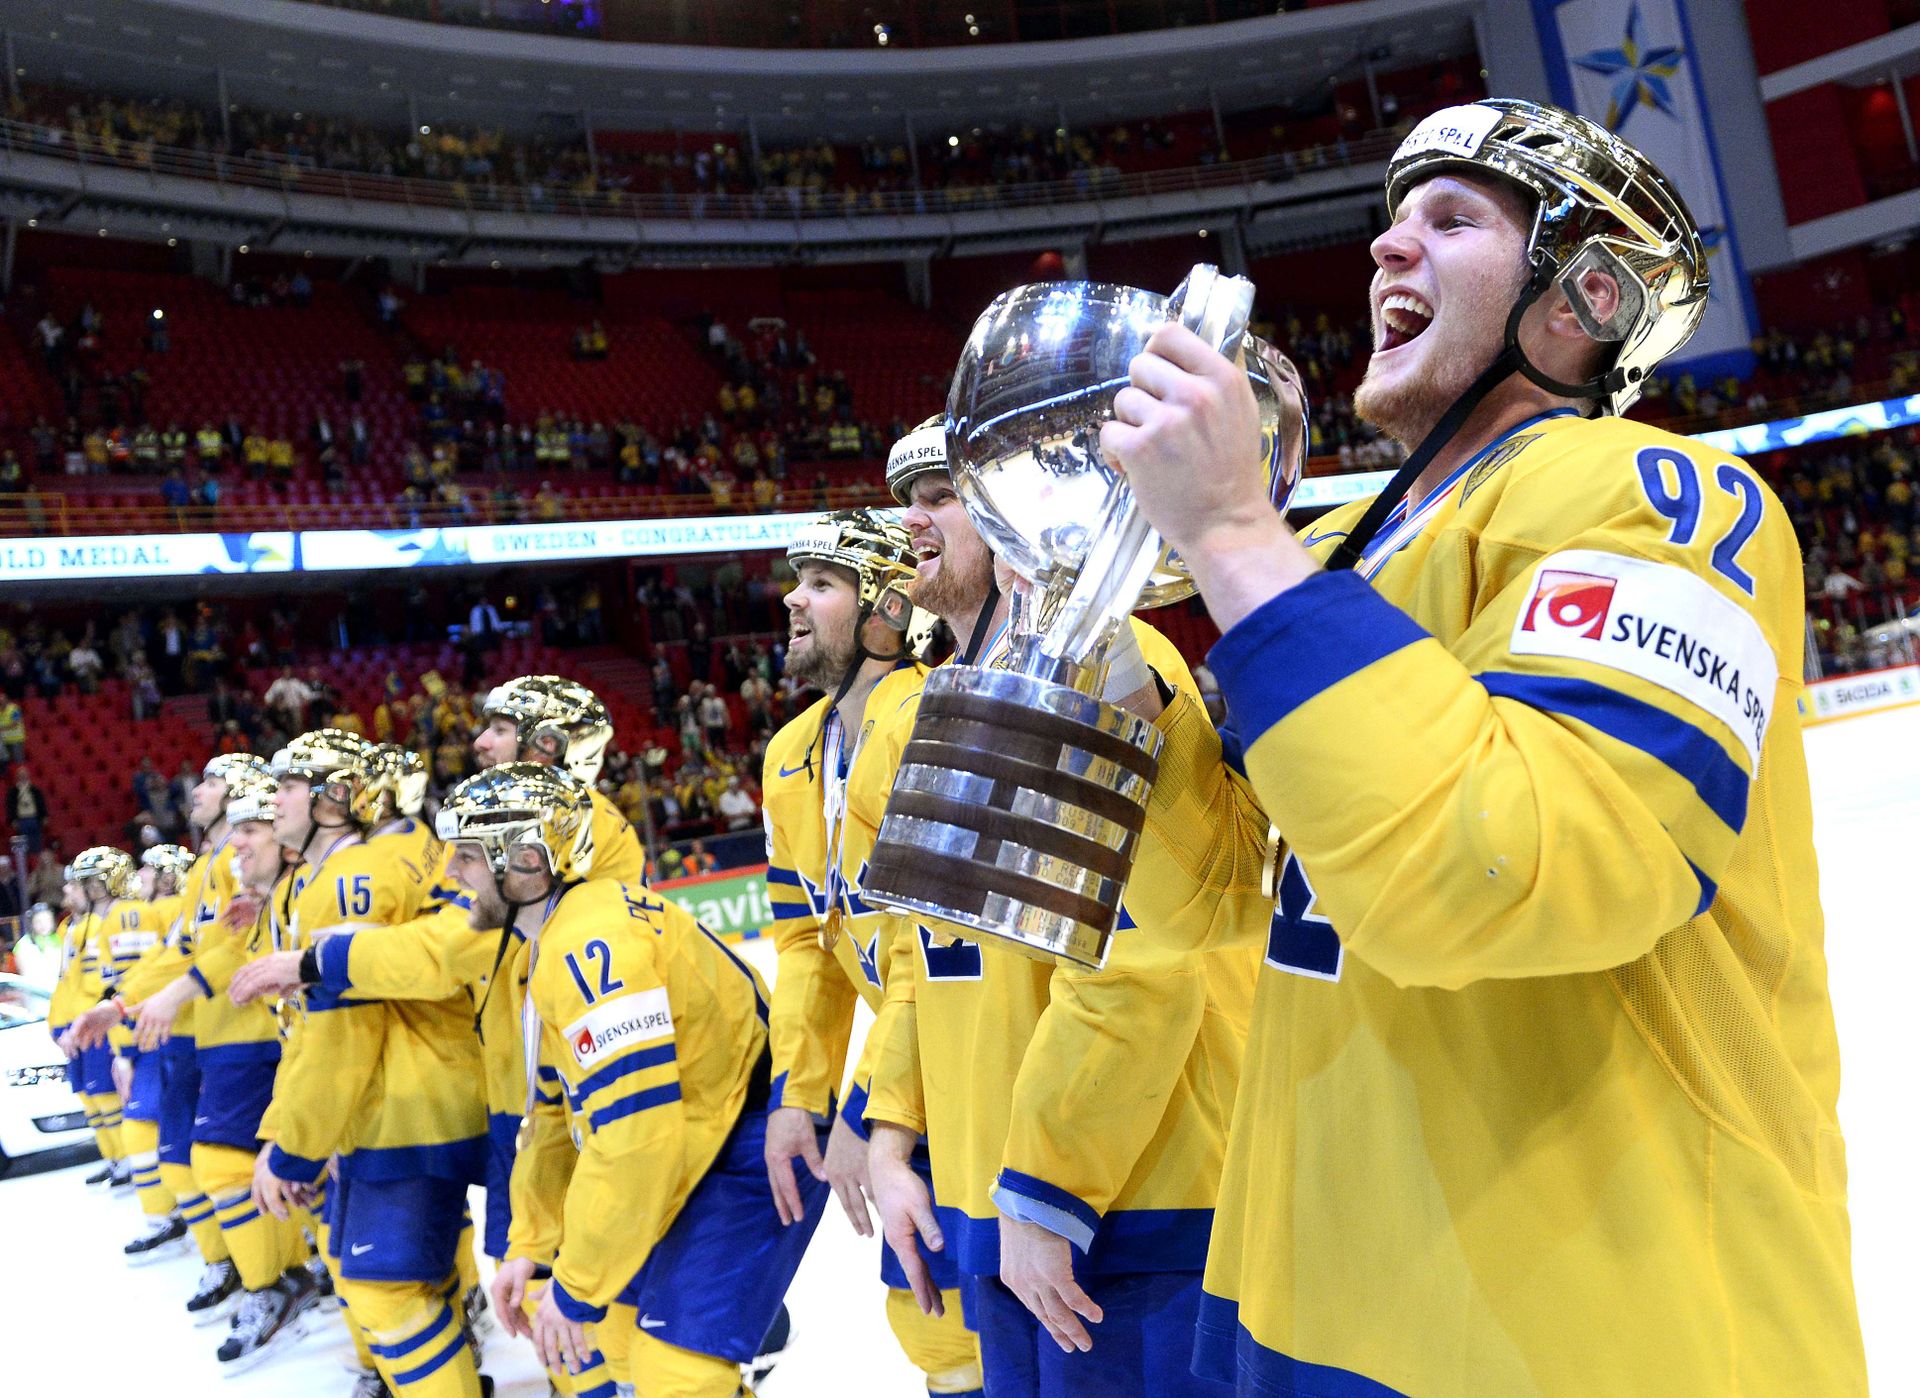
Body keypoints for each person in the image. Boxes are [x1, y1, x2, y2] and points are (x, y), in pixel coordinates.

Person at [1099, 97, 1867, 1392]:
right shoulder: (1351, 559)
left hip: (1595, 1333)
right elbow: (1222, 918)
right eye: (1392, 223)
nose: (1386, 249)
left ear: (1585, 297)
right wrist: (1124, 677)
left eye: (1451, 220)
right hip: (1321, 1300)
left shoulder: (1659, 494)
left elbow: (1503, 872)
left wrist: (1233, 534)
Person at [861, 422, 1253, 1395]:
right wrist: (893, 1133)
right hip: (1003, 1201)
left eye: (942, 492)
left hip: (1127, 1207)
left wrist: (1048, 1191)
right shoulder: (938, 696)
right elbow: (931, 958)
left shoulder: (1093, 659)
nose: (911, 516)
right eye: (906, 494)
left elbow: (1143, 967)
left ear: (1017, 516)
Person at [440, 762, 818, 1397]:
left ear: (529, 858)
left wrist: (576, 1289)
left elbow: (636, 1130)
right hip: (703, 1131)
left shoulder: (591, 943)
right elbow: (558, 1114)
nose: (452, 873)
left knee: (676, 1373)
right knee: (616, 1338)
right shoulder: (551, 941)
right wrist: (534, 1242)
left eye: (469, 854)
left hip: (752, 1137)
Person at [760, 506, 983, 1397]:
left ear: (890, 608)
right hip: (907, 1061)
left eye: (821, 584)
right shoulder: (789, 754)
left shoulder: (928, 717)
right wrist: (799, 1095)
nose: (792, 599)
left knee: (963, 1301)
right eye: (796, 581)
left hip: (963, 1054)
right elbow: (807, 943)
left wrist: (867, 1110)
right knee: (928, 1313)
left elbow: (927, 947)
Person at [8, 765, 48, 853]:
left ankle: (36, 857)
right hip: (21, 820)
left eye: (24, 774)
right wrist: (13, 820)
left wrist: (44, 816)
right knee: (24, 843)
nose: (23, 776)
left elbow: (41, 803)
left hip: (34, 818)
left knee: (36, 841)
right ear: (17, 776)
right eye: (21, 775)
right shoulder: (13, 791)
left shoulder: (34, 789)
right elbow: (10, 806)